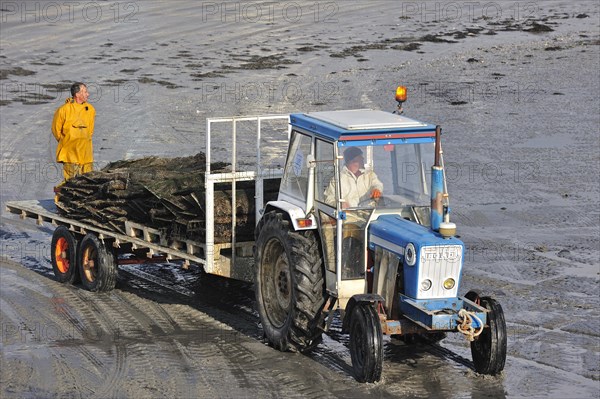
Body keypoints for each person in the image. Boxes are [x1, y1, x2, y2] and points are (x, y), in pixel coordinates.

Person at [52, 82, 95, 184]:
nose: (88, 94)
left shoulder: (90, 110)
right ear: (77, 94)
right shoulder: (64, 110)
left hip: (86, 152)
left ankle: (85, 200)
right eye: (85, 92)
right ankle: (64, 198)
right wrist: (67, 141)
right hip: (70, 153)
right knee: (71, 182)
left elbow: (90, 130)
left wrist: (83, 138)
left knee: (89, 181)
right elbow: (56, 129)